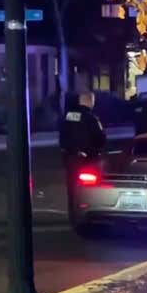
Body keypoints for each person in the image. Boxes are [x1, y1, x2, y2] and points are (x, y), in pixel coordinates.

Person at [59, 92, 106, 223]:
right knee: (90, 188)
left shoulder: (68, 116)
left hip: (71, 157)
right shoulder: (91, 117)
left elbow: (62, 135)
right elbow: (100, 138)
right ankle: (89, 214)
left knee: (72, 187)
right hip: (88, 159)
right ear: (90, 101)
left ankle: (72, 215)